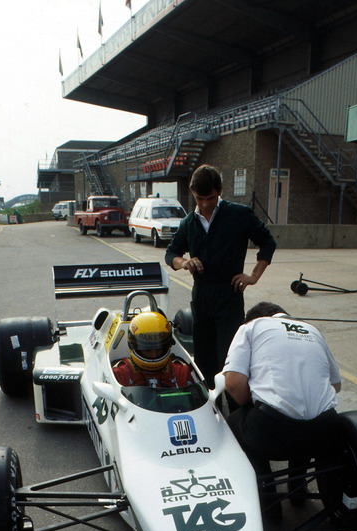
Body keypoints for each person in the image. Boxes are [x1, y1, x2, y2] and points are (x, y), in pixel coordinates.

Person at [165, 165, 276, 391]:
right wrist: (184, 262)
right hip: (202, 297)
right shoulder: (188, 223)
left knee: (231, 359)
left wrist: (253, 276)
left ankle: (235, 415)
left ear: (220, 191)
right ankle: (210, 407)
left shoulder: (239, 215)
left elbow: (268, 242)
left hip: (229, 296)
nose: (205, 204)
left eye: (210, 198)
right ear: (193, 194)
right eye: (199, 199)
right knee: (204, 359)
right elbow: (171, 254)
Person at [223, 301, 341, 512]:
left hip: (272, 435)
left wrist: (253, 405)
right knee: (302, 410)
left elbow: (232, 383)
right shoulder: (312, 330)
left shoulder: (251, 327)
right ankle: (297, 490)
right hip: (325, 432)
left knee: (234, 422)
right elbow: (335, 385)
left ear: (255, 318)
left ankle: (266, 495)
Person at [113, 310, 193, 388]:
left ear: (167, 345)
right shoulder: (120, 375)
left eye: (158, 349)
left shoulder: (181, 372)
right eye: (147, 350)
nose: (154, 354)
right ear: (133, 346)